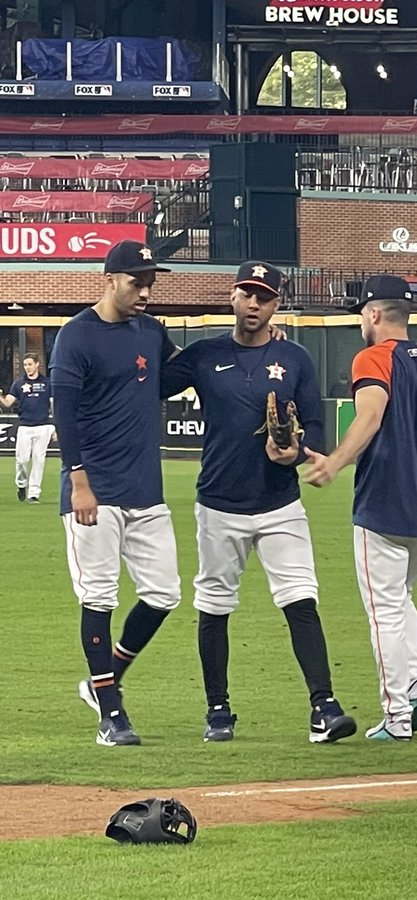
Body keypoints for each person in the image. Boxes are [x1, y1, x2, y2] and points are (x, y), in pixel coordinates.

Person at [159, 261, 356, 744]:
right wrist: (149, 334)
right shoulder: (204, 355)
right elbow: (154, 383)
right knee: (214, 605)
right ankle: (218, 710)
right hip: (219, 501)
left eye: (264, 296)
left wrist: (294, 449)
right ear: (232, 297)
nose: (254, 303)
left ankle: (324, 707)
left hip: (278, 501)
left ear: (275, 304)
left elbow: (314, 426)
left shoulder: (295, 360)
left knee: (300, 600)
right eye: (247, 293)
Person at [304, 274, 417, 742]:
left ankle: (396, 716)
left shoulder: (372, 357)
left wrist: (335, 461)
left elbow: (370, 415)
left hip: (383, 505)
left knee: (384, 612)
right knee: (400, 599)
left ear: (373, 313)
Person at [51, 240, 182, 747]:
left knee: (164, 593)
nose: (146, 291)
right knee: (99, 596)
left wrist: (252, 344)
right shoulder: (76, 336)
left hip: (144, 489)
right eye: (136, 282)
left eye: (151, 281)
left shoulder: (150, 330)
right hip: (95, 491)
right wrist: (78, 482)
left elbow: (179, 376)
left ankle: (104, 678)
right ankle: (111, 715)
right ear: (109, 279)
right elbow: (65, 414)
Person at [1, 353, 54, 503]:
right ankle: (21, 484)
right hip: (24, 426)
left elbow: (53, 405)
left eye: (30, 364)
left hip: (43, 426)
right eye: (25, 365)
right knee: (22, 460)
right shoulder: (18, 384)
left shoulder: (47, 383)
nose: (27, 367)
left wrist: (56, 426)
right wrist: (0, 397)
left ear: (37, 364)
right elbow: (7, 404)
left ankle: (34, 493)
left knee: (39, 460)